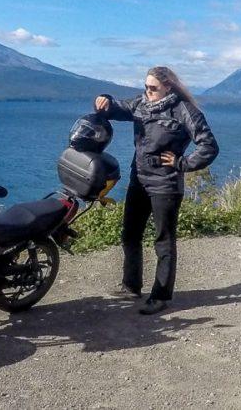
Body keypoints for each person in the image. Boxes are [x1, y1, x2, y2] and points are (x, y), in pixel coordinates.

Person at [94, 66, 219, 315]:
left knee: (163, 241)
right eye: (145, 87)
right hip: (139, 179)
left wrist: (182, 163)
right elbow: (117, 108)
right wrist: (105, 100)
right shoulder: (141, 103)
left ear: (168, 87)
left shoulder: (184, 110)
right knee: (130, 235)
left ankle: (161, 296)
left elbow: (209, 146)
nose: (147, 92)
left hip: (166, 184)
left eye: (153, 88)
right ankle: (131, 286)